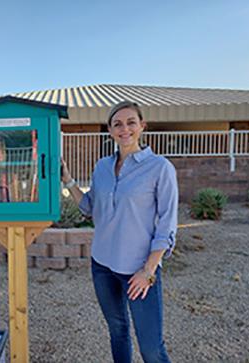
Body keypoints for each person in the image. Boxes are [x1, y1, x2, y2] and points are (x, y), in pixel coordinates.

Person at [62, 101, 177, 363]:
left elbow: (167, 224)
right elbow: (89, 207)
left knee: (151, 348)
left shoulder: (160, 168)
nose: (124, 129)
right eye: (117, 124)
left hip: (138, 270)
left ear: (142, 126)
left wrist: (148, 270)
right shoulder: (102, 166)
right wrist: (68, 180)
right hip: (102, 265)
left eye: (131, 122)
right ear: (110, 130)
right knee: (118, 331)